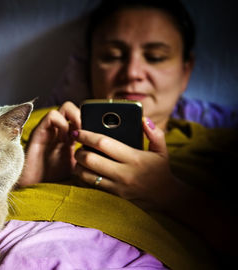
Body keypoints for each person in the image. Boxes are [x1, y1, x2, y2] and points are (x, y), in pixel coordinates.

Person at [17, 0, 237, 266]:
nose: (132, 73)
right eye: (111, 55)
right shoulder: (42, 125)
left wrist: (170, 194)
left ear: (185, 70)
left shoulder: (221, 149)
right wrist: (18, 178)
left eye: (155, 57)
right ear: (90, 66)